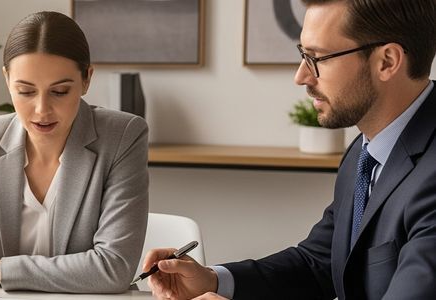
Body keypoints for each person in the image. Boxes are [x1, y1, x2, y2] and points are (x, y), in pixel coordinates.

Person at [142, 0, 436, 299]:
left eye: (317, 58)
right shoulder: (366, 150)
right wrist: (213, 280)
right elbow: (318, 262)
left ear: (387, 61)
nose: (301, 76)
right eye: (303, 55)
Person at [0, 11, 149, 300]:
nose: (41, 110)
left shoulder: (122, 136)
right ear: (7, 79)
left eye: (59, 91)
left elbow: (114, 268)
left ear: (86, 80)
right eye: (25, 91)